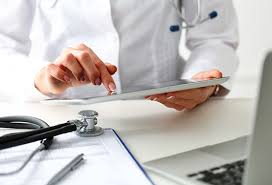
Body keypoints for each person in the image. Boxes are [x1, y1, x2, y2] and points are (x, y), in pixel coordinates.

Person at [0, 0, 238, 111]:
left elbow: (214, 38)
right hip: (59, 120)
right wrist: (40, 79)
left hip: (168, 117)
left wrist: (202, 82)